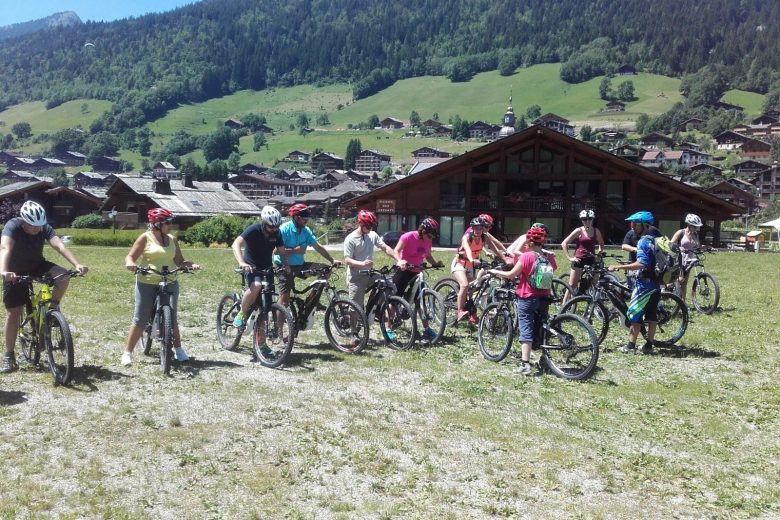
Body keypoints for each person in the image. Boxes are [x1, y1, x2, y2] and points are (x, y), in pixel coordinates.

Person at [0, 201, 89, 373]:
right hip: (14, 271)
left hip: (37, 265)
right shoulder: (13, 226)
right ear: (23, 221)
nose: (36, 229)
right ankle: (9, 356)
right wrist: (4, 271)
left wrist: (77, 264)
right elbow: (4, 248)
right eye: (32, 226)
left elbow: (59, 245)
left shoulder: (44, 228)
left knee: (63, 276)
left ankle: (53, 309)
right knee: (14, 313)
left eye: (39, 226)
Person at [121, 208, 200, 366]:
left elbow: (179, 261)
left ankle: (178, 350)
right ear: (157, 224)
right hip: (147, 281)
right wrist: (130, 264)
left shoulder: (172, 239)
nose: (171, 225)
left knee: (172, 317)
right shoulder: (145, 238)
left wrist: (191, 265)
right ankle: (127, 353)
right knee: (140, 319)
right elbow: (130, 256)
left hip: (170, 280)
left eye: (170, 222)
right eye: (167, 223)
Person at [488, 226, 557, 376]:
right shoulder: (548, 257)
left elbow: (511, 275)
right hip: (544, 297)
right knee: (542, 327)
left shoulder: (526, 257)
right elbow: (553, 269)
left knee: (526, 328)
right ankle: (545, 358)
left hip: (527, 297)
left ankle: (525, 364)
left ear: (530, 242)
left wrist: (495, 272)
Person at [231, 206, 287, 356]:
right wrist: (242, 263)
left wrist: (286, 265)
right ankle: (242, 314)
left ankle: (261, 346)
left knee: (266, 308)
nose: (273, 229)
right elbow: (236, 244)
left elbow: (281, 251)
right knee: (255, 285)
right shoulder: (253, 229)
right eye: (270, 226)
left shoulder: (277, 233)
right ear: (263, 222)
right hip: (251, 266)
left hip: (267, 268)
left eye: (276, 227)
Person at [343, 210, 404, 342]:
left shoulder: (372, 235)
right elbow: (347, 260)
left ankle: (376, 310)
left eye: (372, 226)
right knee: (355, 306)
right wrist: (362, 263)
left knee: (389, 286)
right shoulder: (351, 239)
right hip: (356, 275)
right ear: (360, 223)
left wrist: (398, 259)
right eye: (368, 226)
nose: (370, 229)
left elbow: (386, 248)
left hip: (369, 274)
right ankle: (353, 333)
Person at [608, 211, 659, 355]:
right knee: (651, 315)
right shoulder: (654, 239)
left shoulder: (643, 241)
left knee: (634, 314)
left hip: (644, 284)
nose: (632, 227)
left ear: (644, 225)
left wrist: (619, 267)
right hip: (656, 283)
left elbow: (642, 264)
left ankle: (630, 346)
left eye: (635, 224)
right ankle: (649, 345)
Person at [274, 203, 342, 309]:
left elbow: (318, 247)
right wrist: (294, 250)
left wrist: (332, 260)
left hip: (299, 265)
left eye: (307, 218)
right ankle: (279, 322)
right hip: (284, 267)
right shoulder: (284, 230)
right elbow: (275, 252)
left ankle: (312, 300)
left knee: (326, 270)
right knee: (284, 301)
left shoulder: (306, 231)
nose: (307, 220)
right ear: (296, 217)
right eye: (304, 218)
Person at [394, 218, 444, 340]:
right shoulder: (408, 236)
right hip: (404, 270)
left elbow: (428, 255)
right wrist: (400, 261)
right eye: (429, 234)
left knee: (421, 301)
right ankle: (389, 327)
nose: (431, 237)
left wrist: (435, 264)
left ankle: (426, 329)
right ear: (422, 230)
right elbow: (396, 250)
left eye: (433, 235)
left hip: (417, 272)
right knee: (395, 297)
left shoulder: (428, 240)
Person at [561, 209, 604, 302]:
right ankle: (564, 305)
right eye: (584, 219)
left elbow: (601, 244)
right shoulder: (578, 231)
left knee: (594, 282)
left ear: (593, 219)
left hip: (591, 259)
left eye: (589, 219)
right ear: (581, 220)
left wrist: (599, 255)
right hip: (579, 259)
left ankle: (591, 303)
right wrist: (570, 258)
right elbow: (564, 243)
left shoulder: (596, 231)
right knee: (572, 284)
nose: (587, 221)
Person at [452, 217, 489, 324]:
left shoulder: (483, 237)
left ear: (483, 228)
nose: (478, 230)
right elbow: (468, 250)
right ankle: (459, 311)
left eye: (480, 228)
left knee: (472, 290)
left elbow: (495, 246)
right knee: (464, 285)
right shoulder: (467, 237)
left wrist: (504, 255)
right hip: (459, 264)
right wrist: (472, 259)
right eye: (475, 228)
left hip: (470, 266)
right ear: (472, 228)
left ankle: (471, 313)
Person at [671, 213, 702, 303]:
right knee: (678, 280)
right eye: (695, 226)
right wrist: (679, 248)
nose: (697, 228)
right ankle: (667, 291)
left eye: (697, 226)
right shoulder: (681, 232)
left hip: (689, 260)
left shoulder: (695, 234)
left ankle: (683, 303)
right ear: (689, 225)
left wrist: (707, 247)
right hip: (679, 260)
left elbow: (697, 246)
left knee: (684, 283)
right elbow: (671, 244)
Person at [621, 219, 661, 290]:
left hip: (650, 266)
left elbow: (662, 241)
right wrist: (635, 249)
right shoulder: (630, 233)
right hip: (635, 263)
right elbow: (624, 246)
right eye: (632, 227)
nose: (634, 229)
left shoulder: (652, 231)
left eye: (635, 226)